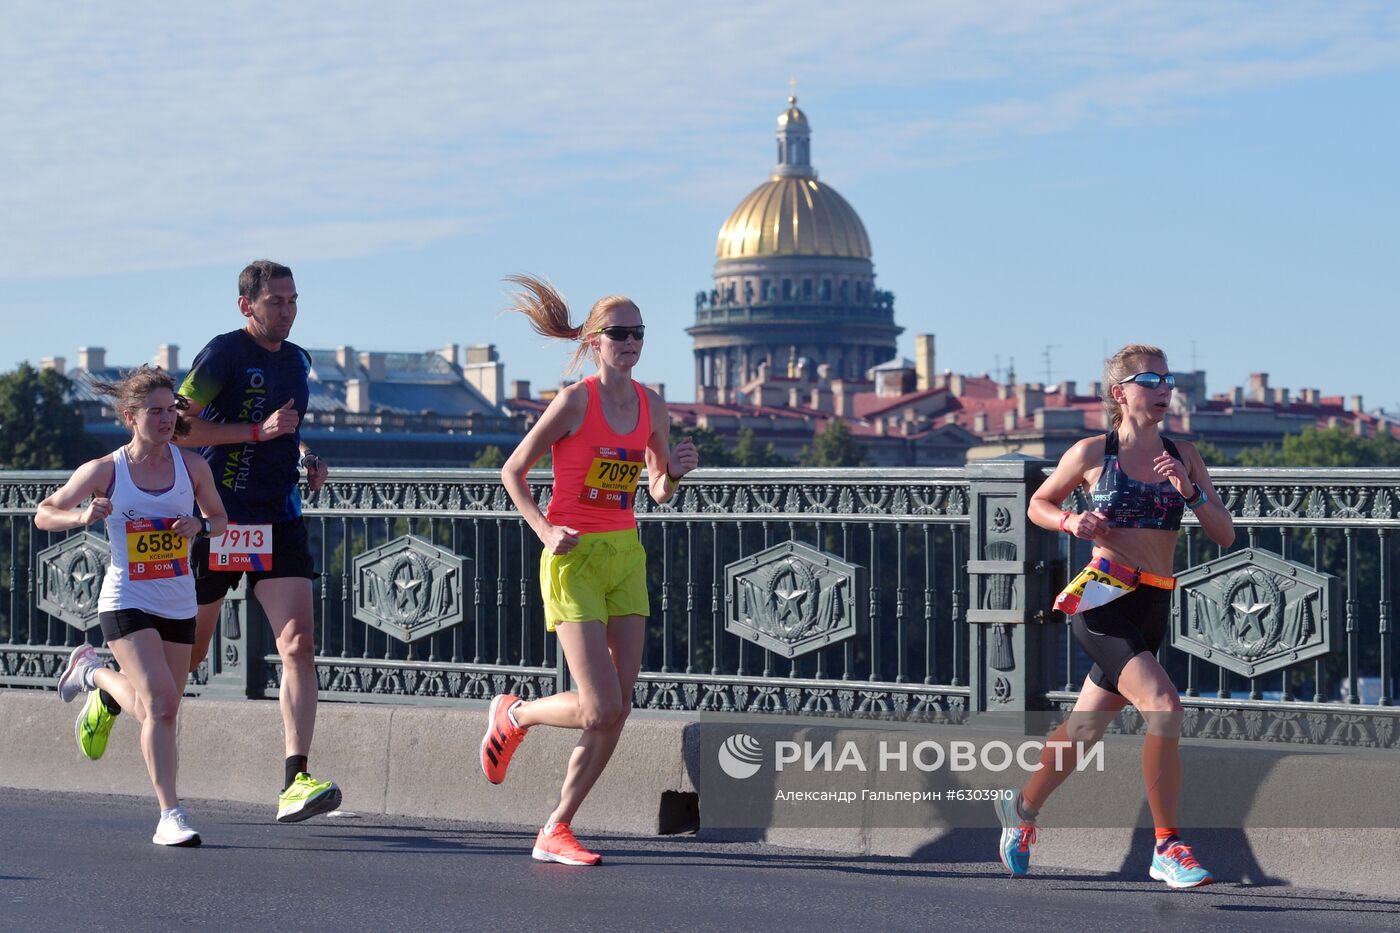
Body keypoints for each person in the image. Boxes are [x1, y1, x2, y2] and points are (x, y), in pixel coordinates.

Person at [995, 343, 1235, 889]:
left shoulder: (1184, 454)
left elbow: (1225, 534)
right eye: (1150, 380)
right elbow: (1039, 503)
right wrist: (1071, 524)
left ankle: (1022, 810)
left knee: (1083, 728)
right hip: (1103, 600)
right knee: (1164, 705)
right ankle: (1167, 846)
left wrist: (1190, 490)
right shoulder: (1090, 453)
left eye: (1168, 380)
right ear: (1120, 392)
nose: (1163, 390)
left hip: (1154, 602)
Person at [480, 275, 698, 865]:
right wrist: (546, 531)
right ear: (594, 341)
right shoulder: (576, 401)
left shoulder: (653, 405)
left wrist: (673, 471)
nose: (629, 343)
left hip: (625, 556)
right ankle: (515, 714)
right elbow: (512, 472)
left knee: (617, 708)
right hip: (572, 558)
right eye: (618, 333)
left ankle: (557, 826)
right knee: (599, 706)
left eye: (638, 334)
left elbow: (655, 491)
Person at [177, 259, 339, 822]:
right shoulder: (222, 353)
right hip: (219, 517)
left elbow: (288, 425)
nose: (288, 311)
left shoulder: (299, 361)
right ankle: (106, 684)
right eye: (277, 302)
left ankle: (295, 778)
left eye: (294, 300)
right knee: (191, 655)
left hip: (279, 516)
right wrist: (254, 432)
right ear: (246, 305)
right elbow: (175, 428)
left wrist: (305, 456)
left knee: (297, 644)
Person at [42, 366, 228, 846]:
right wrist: (84, 514)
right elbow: (45, 513)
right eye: (156, 412)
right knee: (162, 705)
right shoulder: (105, 470)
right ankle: (170, 815)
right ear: (130, 416)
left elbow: (220, 519)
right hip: (127, 599)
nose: (167, 420)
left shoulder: (193, 467)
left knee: (156, 711)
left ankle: (93, 676)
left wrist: (199, 527)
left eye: (171, 410)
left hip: (178, 599)